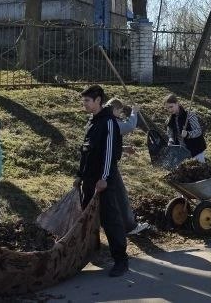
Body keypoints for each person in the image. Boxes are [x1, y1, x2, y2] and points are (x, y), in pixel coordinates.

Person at [75, 84, 129, 277]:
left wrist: (104, 178)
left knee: (110, 219)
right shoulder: (92, 121)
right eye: (84, 101)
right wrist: (79, 175)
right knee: (87, 217)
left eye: (87, 101)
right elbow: (85, 152)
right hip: (89, 180)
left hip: (104, 180)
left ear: (98, 100)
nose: (85, 105)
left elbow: (110, 154)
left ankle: (121, 260)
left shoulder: (108, 122)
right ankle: (90, 253)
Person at [105, 99, 151, 236]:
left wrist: (123, 149)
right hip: (108, 165)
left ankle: (112, 224)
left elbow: (109, 144)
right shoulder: (111, 121)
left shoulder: (101, 119)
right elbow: (129, 126)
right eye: (119, 111)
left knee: (109, 197)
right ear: (115, 109)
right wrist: (134, 112)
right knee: (121, 195)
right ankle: (130, 227)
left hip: (101, 162)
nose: (120, 114)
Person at [164, 93, 207, 162]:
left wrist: (188, 134)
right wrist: (171, 140)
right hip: (182, 152)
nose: (169, 110)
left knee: (200, 170)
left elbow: (199, 131)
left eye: (171, 107)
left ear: (177, 103)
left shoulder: (190, 115)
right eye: (167, 108)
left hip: (196, 149)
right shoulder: (170, 120)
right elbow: (170, 133)